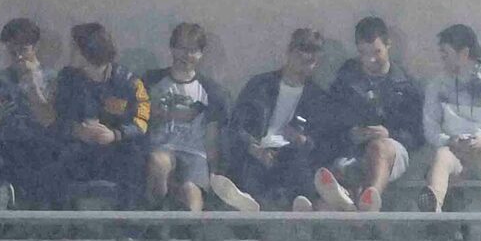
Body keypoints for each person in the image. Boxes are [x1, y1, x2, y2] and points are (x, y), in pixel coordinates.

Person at [304, 15, 421, 212]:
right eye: (363, 53)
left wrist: (389, 133)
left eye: (377, 52)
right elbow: (330, 120)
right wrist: (350, 133)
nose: (371, 59)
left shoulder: (406, 85)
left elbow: (418, 133)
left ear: (388, 45)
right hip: (352, 151)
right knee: (336, 174)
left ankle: (369, 202)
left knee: (378, 148)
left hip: (390, 152)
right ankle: (348, 208)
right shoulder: (345, 79)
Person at [420, 24, 481, 240]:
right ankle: (434, 217)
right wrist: (450, 140)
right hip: (454, 154)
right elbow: (431, 128)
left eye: (446, 54)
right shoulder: (437, 86)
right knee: (440, 156)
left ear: (464, 54)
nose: (442, 60)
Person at [221, 28, 327, 211]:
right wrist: (254, 148)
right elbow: (236, 127)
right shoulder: (260, 86)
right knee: (254, 171)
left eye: (310, 61)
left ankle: (253, 204)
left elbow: (323, 142)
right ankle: (252, 202)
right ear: (289, 53)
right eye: (299, 56)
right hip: (258, 152)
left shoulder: (317, 98)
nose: (303, 64)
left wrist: (302, 140)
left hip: (293, 156)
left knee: (296, 168)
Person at [0, 18, 69, 209]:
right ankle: (1, 212)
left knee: (53, 162)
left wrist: (33, 85)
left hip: (41, 146)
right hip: (4, 146)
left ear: (35, 47)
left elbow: (54, 123)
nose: (18, 58)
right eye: (12, 52)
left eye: (23, 50)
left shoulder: (54, 80)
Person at [57, 23, 149, 204]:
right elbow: (56, 118)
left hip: (117, 147)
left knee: (134, 161)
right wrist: (76, 130)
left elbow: (142, 121)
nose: (70, 52)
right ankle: (62, 227)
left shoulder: (128, 81)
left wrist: (114, 134)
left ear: (87, 51)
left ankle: (129, 228)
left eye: (74, 48)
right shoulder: (67, 79)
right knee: (57, 162)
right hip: (78, 146)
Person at [142, 22, 223, 211]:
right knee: (158, 163)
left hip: (194, 154)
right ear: (172, 48)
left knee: (191, 194)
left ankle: (193, 234)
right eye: (181, 48)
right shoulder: (152, 81)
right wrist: (163, 114)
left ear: (201, 54)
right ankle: (156, 214)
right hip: (162, 147)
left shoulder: (211, 90)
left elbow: (212, 137)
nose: (185, 56)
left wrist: (215, 172)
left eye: (192, 50)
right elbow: (140, 119)